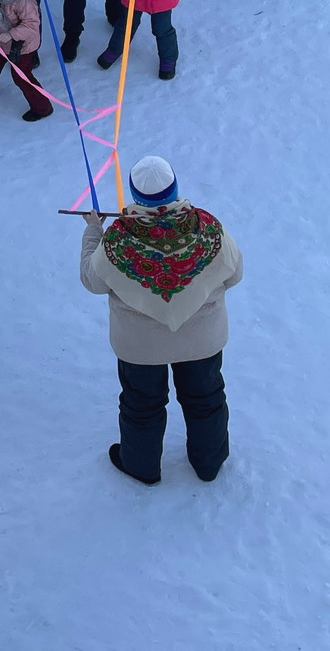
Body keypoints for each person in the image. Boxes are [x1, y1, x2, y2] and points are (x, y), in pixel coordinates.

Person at [80, 156, 242, 486]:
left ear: (135, 196)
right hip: (202, 340)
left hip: (141, 347)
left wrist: (93, 231)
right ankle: (209, 463)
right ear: (175, 188)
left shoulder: (117, 240)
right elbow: (234, 274)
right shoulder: (207, 227)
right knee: (206, 400)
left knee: (142, 405)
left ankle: (140, 466)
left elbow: (92, 282)